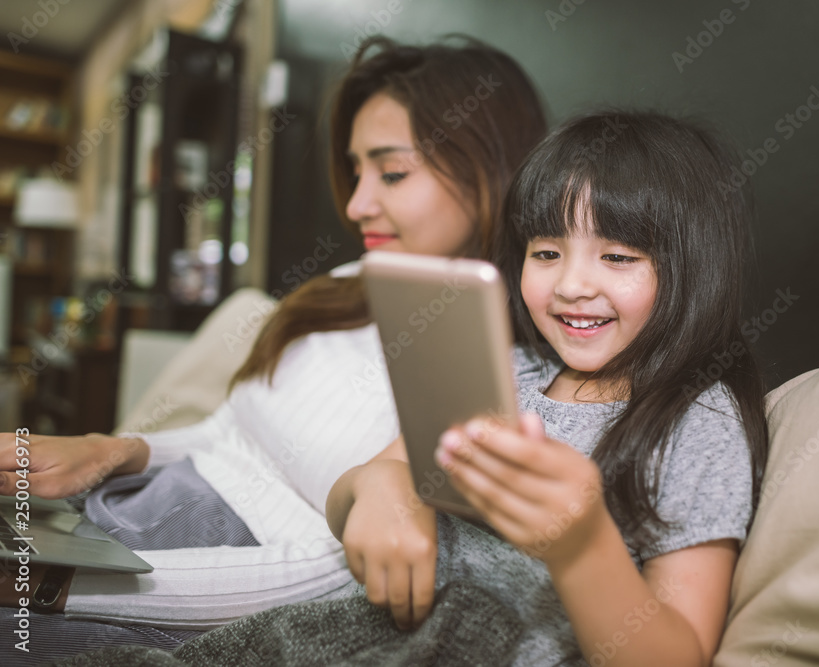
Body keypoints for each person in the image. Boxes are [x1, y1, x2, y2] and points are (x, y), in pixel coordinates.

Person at [0, 35, 546, 663]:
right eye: (357, 170)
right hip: (122, 518)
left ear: (491, 168)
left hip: (180, 594)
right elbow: (229, 432)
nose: (356, 203)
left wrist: (51, 589)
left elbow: (338, 578)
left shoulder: (499, 372)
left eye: (391, 172)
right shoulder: (345, 286)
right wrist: (114, 450)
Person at [326, 111, 770, 665]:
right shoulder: (506, 372)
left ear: (692, 270)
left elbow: (678, 656)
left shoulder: (699, 421)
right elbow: (350, 495)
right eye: (546, 253)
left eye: (617, 257)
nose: (571, 285)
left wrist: (580, 545)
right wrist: (379, 486)